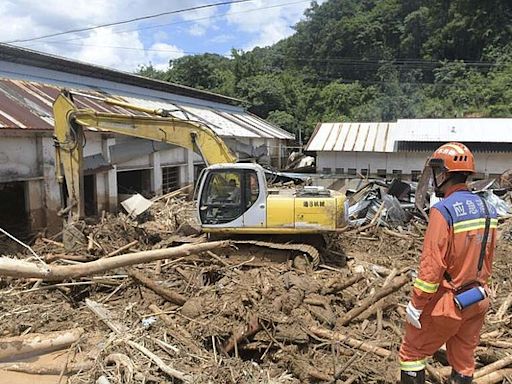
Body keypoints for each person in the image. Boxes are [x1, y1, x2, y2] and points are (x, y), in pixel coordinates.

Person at [399, 142, 498, 384]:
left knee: (411, 353)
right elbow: (488, 258)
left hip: (448, 303)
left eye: (436, 174)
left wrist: (417, 303)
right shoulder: (488, 209)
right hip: (477, 299)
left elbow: (431, 267)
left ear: (443, 174)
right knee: (464, 359)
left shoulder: (443, 211)